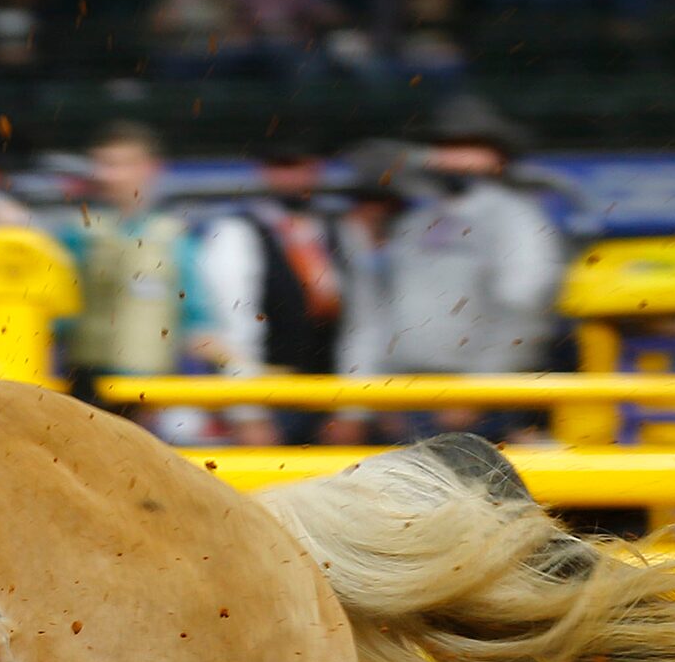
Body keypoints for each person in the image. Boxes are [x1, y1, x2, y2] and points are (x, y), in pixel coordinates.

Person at [348, 97, 565, 427]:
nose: (453, 157)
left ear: (499, 156)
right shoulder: (416, 221)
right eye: (445, 146)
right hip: (405, 393)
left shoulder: (517, 218)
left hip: (477, 396)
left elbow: (523, 308)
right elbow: (382, 311)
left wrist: (478, 390)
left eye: (468, 146)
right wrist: (374, 393)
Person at [190, 141, 357, 441]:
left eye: (300, 165)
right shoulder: (238, 231)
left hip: (330, 397)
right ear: (264, 171)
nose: (292, 176)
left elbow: (359, 323)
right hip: (270, 402)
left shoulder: (338, 230)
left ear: (316, 169)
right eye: (282, 165)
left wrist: (352, 409)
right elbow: (235, 324)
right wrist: (247, 412)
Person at [51, 121, 197, 411]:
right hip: (88, 383)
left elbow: (197, 316)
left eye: (121, 164)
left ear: (150, 167)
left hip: (154, 385)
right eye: (103, 164)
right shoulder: (76, 234)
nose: (109, 175)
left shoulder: (174, 236)